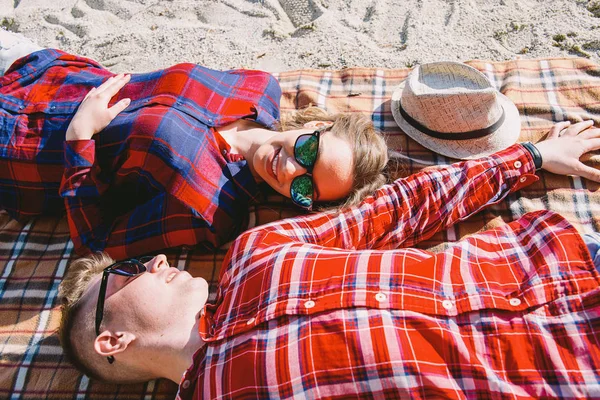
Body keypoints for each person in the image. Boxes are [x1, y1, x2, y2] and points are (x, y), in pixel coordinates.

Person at [58, 120, 600, 398]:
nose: (153, 261)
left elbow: (393, 211)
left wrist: (528, 157)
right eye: (129, 271)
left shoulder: (255, 253)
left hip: (555, 258)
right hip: (572, 374)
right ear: (113, 340)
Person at [0, 29, 388, 259]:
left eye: (305, 189)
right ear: (319, 125)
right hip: (40, 69)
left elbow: (96, 243)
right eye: (307, 153)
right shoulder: (257, 85)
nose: (289, 171)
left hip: (16, 154)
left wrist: (80, 140)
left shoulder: (208, 209)